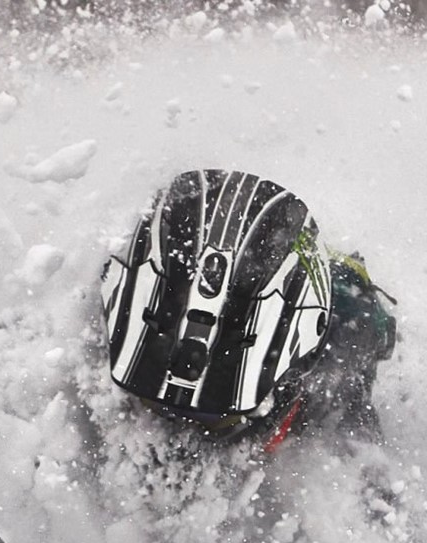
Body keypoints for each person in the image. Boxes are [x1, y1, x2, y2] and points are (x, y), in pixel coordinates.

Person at [99, 168, 398, 448]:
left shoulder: (340, 362)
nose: (178, 435)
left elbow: (371, 469)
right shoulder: (118, 311)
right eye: (152, 406)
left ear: (287, 384)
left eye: (214, 421)